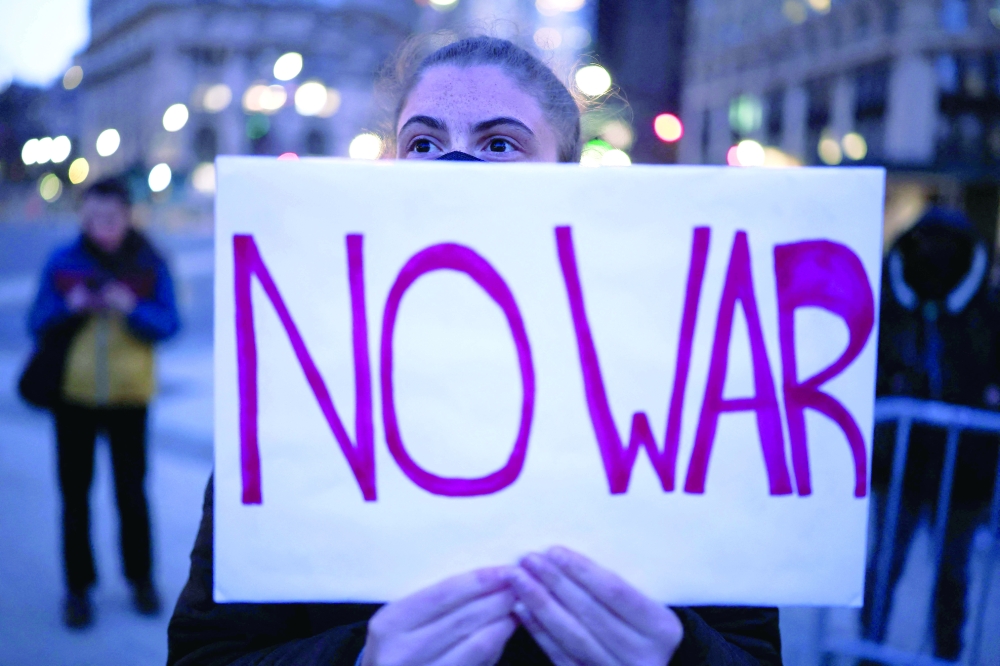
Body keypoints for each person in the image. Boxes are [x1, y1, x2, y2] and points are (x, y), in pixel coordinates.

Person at [167, 37, 782, 665]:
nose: (453, 167)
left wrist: (680, 656)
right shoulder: (304, 397)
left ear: (570, 185)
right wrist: (356, 659)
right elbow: (203, 654)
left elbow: (754, 651)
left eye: (499, 144)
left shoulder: (673, 397)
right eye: (424, 144)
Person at [28, 177, 180, 628]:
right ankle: (78, 590)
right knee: (75, 497)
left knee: (131, 495)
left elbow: (170, 323)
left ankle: (141, 580)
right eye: (92, 219)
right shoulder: (63, 261)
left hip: (130, 398)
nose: (101, 228)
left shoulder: (150, 262)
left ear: (127, 215)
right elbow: (37, 319)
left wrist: (130, 306)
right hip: (72, 398)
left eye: (110, 218)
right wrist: (68, 306)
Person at [862, 206, 1000, 660]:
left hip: (964, 475)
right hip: (897, 466)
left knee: (952, 573)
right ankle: (867, 648)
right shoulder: (889, 301)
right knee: (884, 565)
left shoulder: (987, 311)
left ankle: (945, 652)